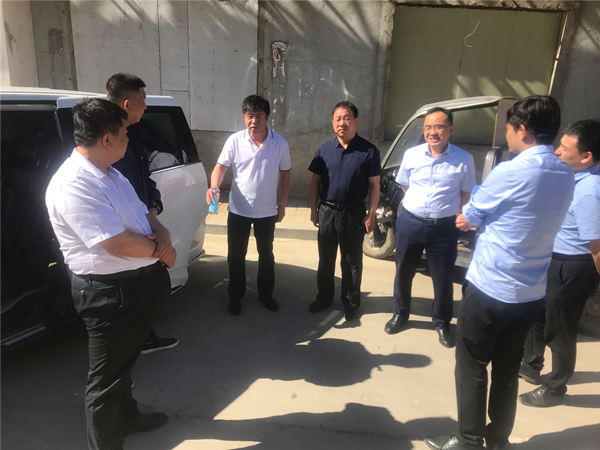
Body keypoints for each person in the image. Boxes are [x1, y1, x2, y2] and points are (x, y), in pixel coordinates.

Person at [424, 96, 575, 450]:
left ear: (522, 130)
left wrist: (473, 212)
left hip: (491, 287)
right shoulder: (566, 172)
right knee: (507, 369)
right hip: (530, 291)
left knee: (472, 364)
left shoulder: (511, 171)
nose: (506, 136)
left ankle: (467, 440)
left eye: (507, 129)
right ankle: (498, 439)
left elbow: (470, 215)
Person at [45, 99, 176, 450]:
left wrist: (162, 233)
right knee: (106, 380)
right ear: (106, 139)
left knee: (123, 366)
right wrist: (162, 251)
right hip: (108, 294)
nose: (129, 140)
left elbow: (143, 216)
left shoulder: (112, 174)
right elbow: (116, 243)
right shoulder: (74, 184)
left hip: (135, 288)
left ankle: (127, 418)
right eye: (125, 133)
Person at [519, 119, 600, 408]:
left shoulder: (590, 191)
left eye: (564, 148)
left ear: (586, 156)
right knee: (538, 314)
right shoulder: (572, 176)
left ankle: (555, 387)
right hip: (552, 259)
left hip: (573, 266)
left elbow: (597, 246)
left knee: (560, 328)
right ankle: (530, 364)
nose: (556, 151)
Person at [385, 107, 476, 348]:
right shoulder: (412, 155)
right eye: (427, 127)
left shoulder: (464, 159)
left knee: (443, 278)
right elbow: (405, 185)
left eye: (438, 127)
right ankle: (400, 314)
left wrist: (455, 213)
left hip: (443, 229)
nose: (432, 132)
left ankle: (442, 322)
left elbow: (466, 193)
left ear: (450, 129)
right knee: (403, 272)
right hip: (410, 223)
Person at [106, 73, 178, 355]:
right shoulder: (107, 142)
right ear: (127, 104)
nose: (146, 106)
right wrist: (160, 246)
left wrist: (152, 211)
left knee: (147, 288)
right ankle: (124, 352)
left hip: (143, 222)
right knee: (130, 292)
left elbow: (144, 179)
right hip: (123, 230)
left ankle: (143, 338)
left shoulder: (132, 135)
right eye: (143, 100)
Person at [206, 95, 291, 315]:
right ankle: (235, 296)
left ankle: (266, 294)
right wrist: (214, 186)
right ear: (244, 116)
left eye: (258, 116)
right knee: (235, 255)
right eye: (249, 116)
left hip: (266, 211)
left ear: (267, 117)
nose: (254, 121)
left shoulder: (280, 144)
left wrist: (282, 206)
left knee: (266, 255)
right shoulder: (235, 141)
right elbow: (220, 167)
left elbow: (285, 176)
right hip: (238, 210)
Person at [308, 101, 381, 321]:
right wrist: (313, 210)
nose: (342, 123)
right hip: (327, 212)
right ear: (333, 122)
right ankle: (324, 296)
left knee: (351, 261)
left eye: (347, 118)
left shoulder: (369, 151)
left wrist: (372, 214)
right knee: (326, 259)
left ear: (355, 121)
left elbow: (375, 185)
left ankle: (350, 302)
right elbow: (315, 181)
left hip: (353, 213)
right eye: (338, 119)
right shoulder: (324, 150)